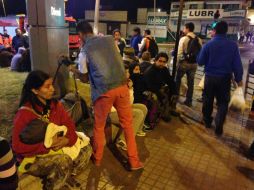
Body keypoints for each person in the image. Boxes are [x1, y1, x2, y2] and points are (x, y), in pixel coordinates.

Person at [74, 20, 143, 170]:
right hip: (122, 87)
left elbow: (84, 76)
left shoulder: (85, 50)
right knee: (128, 126)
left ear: (80, 34)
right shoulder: (110, 40)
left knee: (98, 127)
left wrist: (74, 70)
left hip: (104, 92)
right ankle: (134, 161)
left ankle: (97, 158)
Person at [12, 71, 92, 189]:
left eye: (52, 85)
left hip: (55, 149)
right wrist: (47, 145)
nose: (52, 89)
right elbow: (17, 146)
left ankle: (64, 175)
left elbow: (70, 126)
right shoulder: (24, 113)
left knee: (86, 149)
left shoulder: (55, 106)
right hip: (33, 157)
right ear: (35, 90)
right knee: (63, 161)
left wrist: (67, 140)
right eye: (47, 86)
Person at [197, 21, 243, 136]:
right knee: (223, 102)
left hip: (210, 77)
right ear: (226, 31)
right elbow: (237, 64)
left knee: (208, 100)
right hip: (224, 79)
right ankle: (219, 122)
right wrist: (239, 79)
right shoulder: (233, 46)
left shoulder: (208, 45)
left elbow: (200, 61)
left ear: (215, 31)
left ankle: (207, 121)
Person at [110, 65, 147, 151]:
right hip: (111, 112)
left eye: (128, 72)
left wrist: (130, 89)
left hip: (122, 108)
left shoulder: (125, 83)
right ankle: (122, 140)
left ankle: (137, 129)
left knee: (143, 107)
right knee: (138, 113)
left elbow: (130, 102)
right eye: (125, 72)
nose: (128, 74)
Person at [143, 52, 177, 129]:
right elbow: (150, 87)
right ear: (155, 60)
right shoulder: (150, 71)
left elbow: (170, 80)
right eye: (160, 61)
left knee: (172, 91)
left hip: (159, 88)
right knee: (158, 97)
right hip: (149, 90)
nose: (161, 63)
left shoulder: (164, 69)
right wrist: (161, 95)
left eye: (164, 62)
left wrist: (174, 92)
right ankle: (153, 118)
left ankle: (168, 110)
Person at [176, 22, 202, 107]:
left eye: (184, 28)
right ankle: (189, 101)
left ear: (187, 28)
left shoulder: (183, 39)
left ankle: (175, 97)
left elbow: (179, 54)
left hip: (184, 63)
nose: (183, 30)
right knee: (191, 83)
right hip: (194, 64)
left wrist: (178, 63)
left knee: (178, 79)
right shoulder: (199, 39)